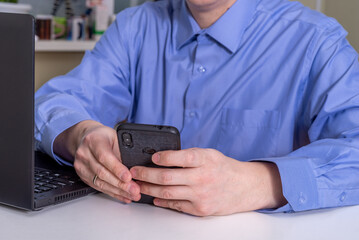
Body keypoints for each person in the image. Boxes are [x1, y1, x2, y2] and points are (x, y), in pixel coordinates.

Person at [35, 0, 359, 216]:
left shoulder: (316, 41)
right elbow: (55, 101)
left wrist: (262, 182)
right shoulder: (135, 26)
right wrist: (80, 134)